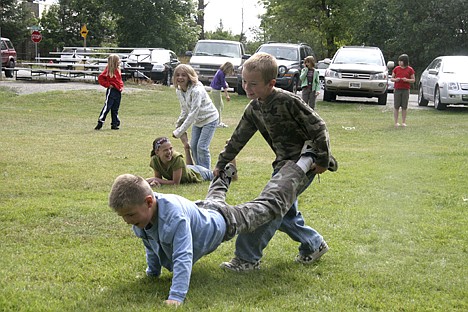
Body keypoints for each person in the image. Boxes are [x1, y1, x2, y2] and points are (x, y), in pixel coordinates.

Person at [109, 144, 326, 306]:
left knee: (267, 207)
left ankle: (304, 162)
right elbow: (151, 246)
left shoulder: (174, 219)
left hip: (224, 222)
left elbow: (183, 256)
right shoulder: (142, 218)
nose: (128, 222)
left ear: (149, 202)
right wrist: (152, 273)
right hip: (204, 210)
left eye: (129, 215)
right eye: (123, 217)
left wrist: (176, 296)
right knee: (215, 195)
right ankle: (227, 170)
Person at [214, 52, 337, 272]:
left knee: (267, 208)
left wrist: (323, 160)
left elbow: (319, 127)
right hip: (282, 165)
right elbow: (238, 137)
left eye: (253, 84)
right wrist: (222, 163)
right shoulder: (254, 108)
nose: (247, 88)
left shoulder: (288, 101)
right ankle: (314, 244)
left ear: (271, 83)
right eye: (244, 82)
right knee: (285, 212)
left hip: (303, 163)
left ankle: (246, 258)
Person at [172, 64, 219, 170]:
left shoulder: (196, 90)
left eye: (184, 75)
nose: (180, 78)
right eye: (178, 75)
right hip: (198, 121)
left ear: (189, 76)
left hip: (209, 119)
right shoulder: (179, 90)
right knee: (193, 146)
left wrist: (179, 132)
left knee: (201, 147)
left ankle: (206, 173)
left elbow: (193, 113)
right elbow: (185, 110)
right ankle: (199, 170)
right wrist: (178, 125)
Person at [146, 135, 214, 187]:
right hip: (188, 169)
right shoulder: (155, 160)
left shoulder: (177, 158)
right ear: (157, 152)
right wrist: (155, 183)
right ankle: (186, 148)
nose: (169, 152)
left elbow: (176, 183)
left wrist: (155, 179)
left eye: (170, 149)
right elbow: (159, 179)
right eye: (165, 150)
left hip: (200, 173)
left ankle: (186, 148)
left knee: (220, 175)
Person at [95, 54, 123, 130]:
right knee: (107, 107)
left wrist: (120, 87)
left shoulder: (118, 69)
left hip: (118, 91)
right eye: (118, 61)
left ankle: (115, 124)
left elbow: (119, 80)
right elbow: (101, 78)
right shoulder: (108, 70)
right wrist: (108, 85)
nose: (119, 62)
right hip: (112, 91)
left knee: (115, 108)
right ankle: (101, 121)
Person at [391, 54, 415, 127]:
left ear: (405, 62)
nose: (400, 62)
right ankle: (396, 122)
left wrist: (407, 80)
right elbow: (392, 78)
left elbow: (413, 80)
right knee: (396, 106)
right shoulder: (396, 69)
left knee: (404, 106)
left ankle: (403, 122)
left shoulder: (410, 69)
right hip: (397, 89)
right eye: (399, 61)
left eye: (401, 61)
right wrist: (396, 79)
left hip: (405, 89)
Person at [210, 62, 234, 128]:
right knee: (218, 107)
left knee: (221, 106)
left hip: (216, 90)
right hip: (215, 91)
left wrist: (225, 83)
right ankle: (218, 123)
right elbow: (223, 85)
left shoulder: (220, 72)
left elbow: (222, 81)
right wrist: (227, 95)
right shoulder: (221, 73)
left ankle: (218, 121)